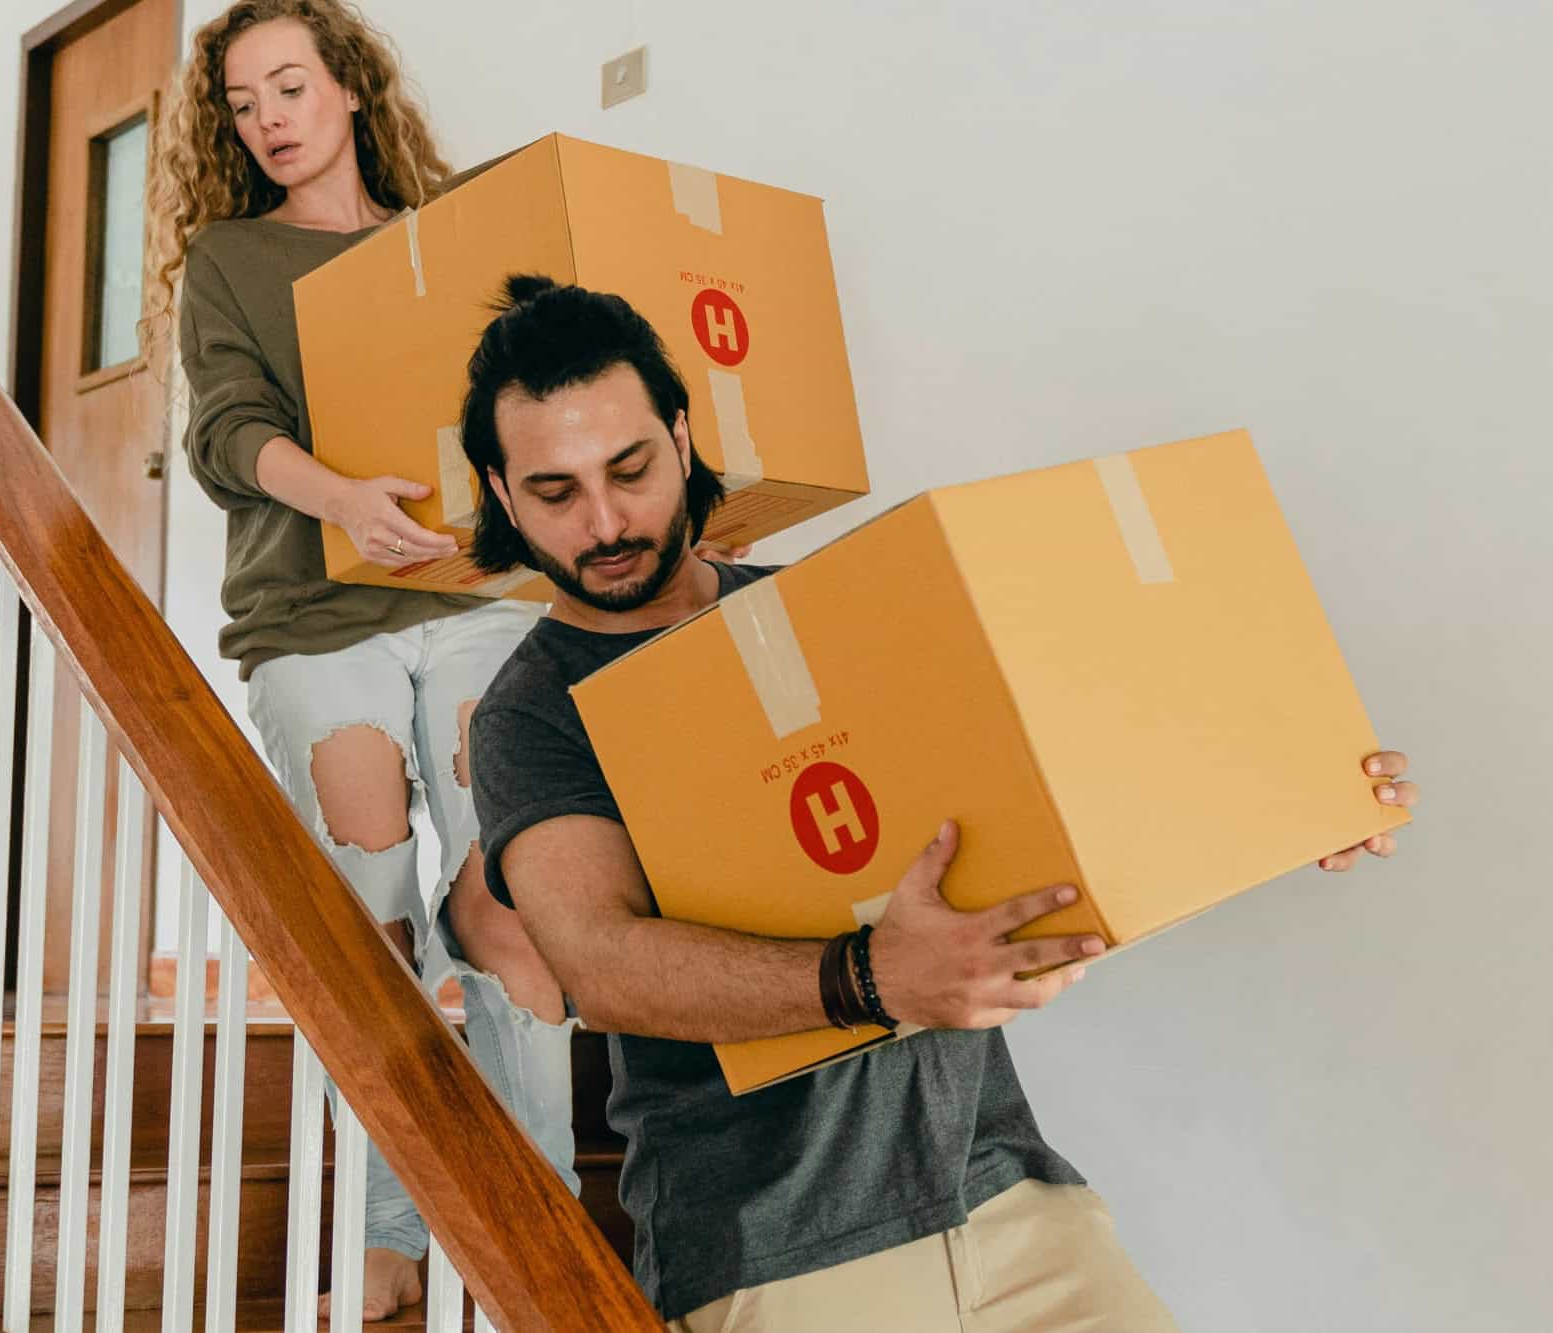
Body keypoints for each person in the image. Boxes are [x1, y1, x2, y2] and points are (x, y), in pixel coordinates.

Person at [460, 277, 1421, 1330]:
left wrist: (1282, 795)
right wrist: (873, 977)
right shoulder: (530, 711)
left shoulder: (829, 610)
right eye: (554, 492)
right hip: (778, 1247)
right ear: (503, 499)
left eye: (629, 469)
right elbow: (598, 963)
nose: (603, 520)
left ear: (681, 440)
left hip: (1006, 1190)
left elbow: (1048, 773)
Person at [141, 3, 576, 1317]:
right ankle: (394, 1218)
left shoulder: (453, 246)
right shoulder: (229, 256)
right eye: (243, 101)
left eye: (289, 86)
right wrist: (335, 495)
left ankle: (545, 1204)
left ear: (350, 89)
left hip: (475, 603)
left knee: (525, 893)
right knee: (371, 897)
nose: (268, 118)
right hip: (313, 618)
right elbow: (227, 431)